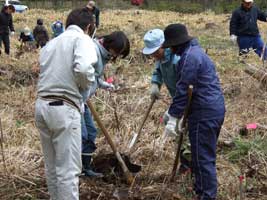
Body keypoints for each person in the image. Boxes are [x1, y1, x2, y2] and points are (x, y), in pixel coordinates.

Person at [35, 8, 97, 200]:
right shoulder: (82, 39)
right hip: (64, 108)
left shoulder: (52, 43)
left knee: (52, 168)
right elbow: (85, 69)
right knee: (68, 171)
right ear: (88, 27)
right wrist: (84, 87)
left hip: (42, 106)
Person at [162, 24, 225, 200]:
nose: (170, 50)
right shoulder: (196, 52)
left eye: (170, 46)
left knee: (203, 158)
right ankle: (201, 191)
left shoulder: (189, 58)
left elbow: (183, 89)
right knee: (200, 155)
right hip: (212, 108)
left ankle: (207, 196)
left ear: (176, 44)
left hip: (204, 112)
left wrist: (174, 116)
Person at [81, 31, 130, 177]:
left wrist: (103, 84)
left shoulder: (104, 54)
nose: (116, 56)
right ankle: (75, 171)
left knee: (91, 132)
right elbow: (82, 74)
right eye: (117, 52)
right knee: (81, 136)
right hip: (76, 100)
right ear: (110, 45)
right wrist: (81, 95)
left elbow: (93, 76)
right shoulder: (94, 51)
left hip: (83, 100)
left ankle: (86, 168)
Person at [142, 29, 191, 172]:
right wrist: (155, 84)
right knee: (177, 130)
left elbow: (185, 86)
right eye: (151, 53)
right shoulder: (160, 58)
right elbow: (157, 71)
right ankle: (184, 160)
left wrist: (176, 114)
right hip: (177, 98)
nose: (153, 55)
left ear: (164, 45)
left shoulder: (176, 60)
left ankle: (188, 164)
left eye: (156, 51)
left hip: (187, 99)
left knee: (185, 129)